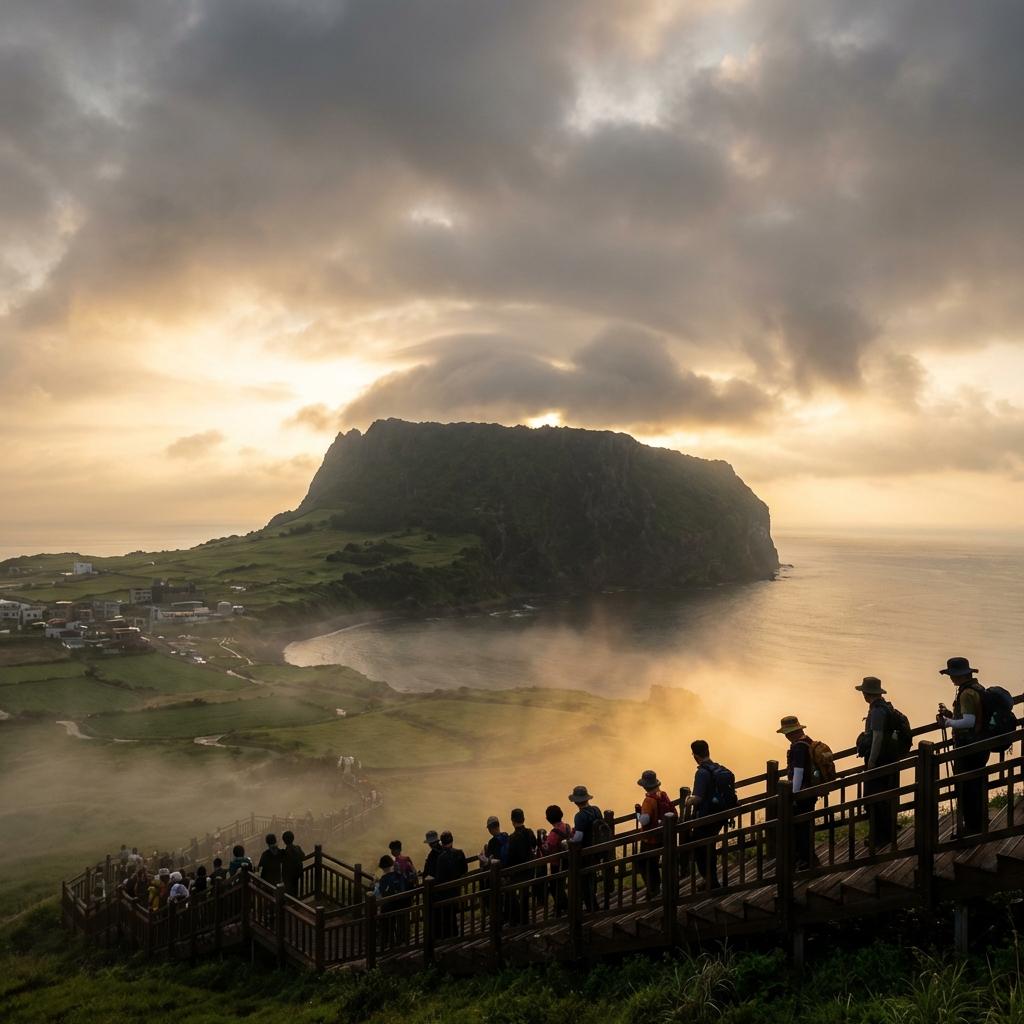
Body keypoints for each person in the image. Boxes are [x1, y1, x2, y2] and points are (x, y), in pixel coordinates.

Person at [938, 656, 991, 837]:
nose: (951, 678)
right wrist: (951, 715)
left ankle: (971, 830)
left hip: (969, 748)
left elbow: (969, 721)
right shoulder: (977, 688)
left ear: (960, 675)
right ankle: (980, 824)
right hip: (980, 745)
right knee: (976, 785)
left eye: (952, 674)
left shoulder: (967, 693)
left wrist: (948, 723)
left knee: (966, 789)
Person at [856, 676, 900, 848]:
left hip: (879, 761)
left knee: (873, 799)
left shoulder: (877, 711)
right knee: (882, 798)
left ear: (867, 694)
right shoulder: (885, 707)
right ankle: (885, 832)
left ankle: (880, 837)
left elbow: (877, 737)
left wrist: (871, 762)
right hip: (889, 759)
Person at [684, 741, 735, 889]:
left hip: (707, 817)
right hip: (721, 815)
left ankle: (711, 881)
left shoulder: (702, 772)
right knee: (709, 846)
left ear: (695, 755)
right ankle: (711, 880)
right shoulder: (719, 768)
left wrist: (688, 800)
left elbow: (698, 798)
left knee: (700, 848)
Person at [778, 716, 819, 869]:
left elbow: (798, 771)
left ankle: (807, 859)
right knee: (805, 824)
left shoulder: (798, 747)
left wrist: (794, 795)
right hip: (811, 790)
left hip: (802, 792)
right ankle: (806, 857)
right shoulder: (808, 741)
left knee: (801, 826)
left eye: (786, 733)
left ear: (790, 733)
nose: (786, 737)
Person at [635, 769, 673, 899]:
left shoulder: (648, 801)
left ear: (645, 786)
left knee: (644, 864)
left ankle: (653, 889)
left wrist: (638, 813)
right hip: (662, 836)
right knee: (654, 864)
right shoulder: (663, 794)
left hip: (650, 839)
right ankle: (659, 887)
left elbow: (644, 821)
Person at [569, 785, 604, 911]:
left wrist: (569, 842)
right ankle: (594, 903)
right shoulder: (596, 810)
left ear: (576, 802)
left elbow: (578, 837)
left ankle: (591, 907)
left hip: (586, 852)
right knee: (592, 876)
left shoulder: (579, 816)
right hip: (598, 849)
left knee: (584, 880)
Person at [506, 808, 539, 925]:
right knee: (524, 895)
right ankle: (524, 919)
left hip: (518, 873)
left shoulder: (512, 838)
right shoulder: (529, 832)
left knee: (510, 892)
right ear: (523, 819)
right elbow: (535, 845)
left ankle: (516, 920)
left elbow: (510, 857)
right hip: (529, 870)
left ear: (512, 821)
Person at [434, 831, 468, 939]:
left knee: (446, 914)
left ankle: (447, 936)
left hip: (444, 892)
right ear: (452, 840)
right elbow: (464, 869)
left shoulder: (441, 858)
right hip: (456, 889)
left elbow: (439, 877)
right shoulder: (460, 853)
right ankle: (454, 934)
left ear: (442, 843)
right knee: (452, 913)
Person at [541, 805, 572, 914]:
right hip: (567, 861)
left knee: (555, 887)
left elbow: (547, 849)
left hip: (556, 864)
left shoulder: (553, 833)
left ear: (548, 819)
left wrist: (542, 842)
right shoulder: (567, 826)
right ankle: (561, 907)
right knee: (560, 885)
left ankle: (563, 907)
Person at [281, 830, 305, 897]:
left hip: (288, 876)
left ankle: (291, 904)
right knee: (295, 889)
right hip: (297, 873)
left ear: (284, 841)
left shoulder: (285, 852)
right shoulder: (297, 848)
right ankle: (295, 902)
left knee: (289, 891)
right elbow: (303, 856)